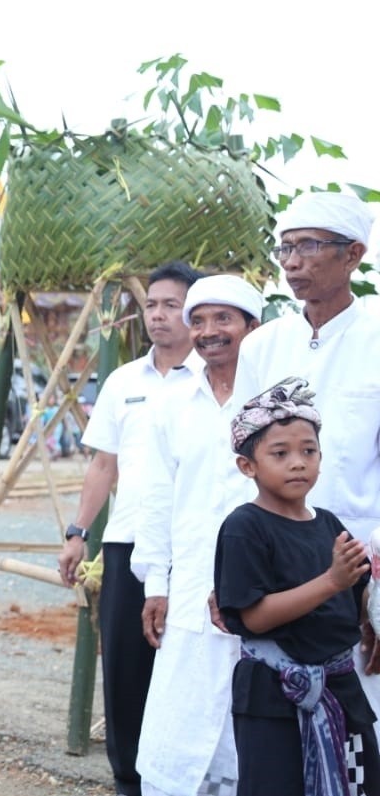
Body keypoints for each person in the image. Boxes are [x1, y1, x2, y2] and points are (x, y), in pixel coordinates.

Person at [57, 261, 204, 796]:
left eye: (172, 305)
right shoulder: (123, 381)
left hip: (194, 548)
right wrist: (78, 531)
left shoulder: (214, 379)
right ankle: (128, 780)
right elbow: (103, 465)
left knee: (190, 662)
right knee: (124, 668)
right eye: (153, 305)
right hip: (126, 545)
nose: (160, 316)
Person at [233, 191, 380, 716]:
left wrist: (378, 593)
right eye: (285, 248)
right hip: (273, 560)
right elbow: (240, 465)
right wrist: (229, 571)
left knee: (363, 716)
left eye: (309, 246)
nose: (292, 262)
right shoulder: (262, 346)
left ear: (353, 254)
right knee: (279, 712)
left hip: (360, 559)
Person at [131, 274, 264, 796]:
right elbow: (155, 497)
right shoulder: (172, 403)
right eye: (200, 320)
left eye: (224, 319)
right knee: (178, 732)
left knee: (249, 730)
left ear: (252, 327)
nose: (210, 332)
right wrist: (154, 585)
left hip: (261, 590)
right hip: (187, 588)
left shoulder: (274, 401)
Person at [215, 377, 379, 796]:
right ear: (247, 466)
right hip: (273, 697)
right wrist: (330, 581)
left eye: (309, 451)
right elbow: (253, 617)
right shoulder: (244, 527)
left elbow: (356, 599)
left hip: (341, 690)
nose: (298, 462)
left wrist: (370, 606)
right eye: (280, 453)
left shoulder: (327, 524)